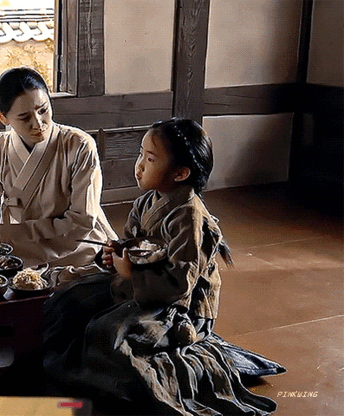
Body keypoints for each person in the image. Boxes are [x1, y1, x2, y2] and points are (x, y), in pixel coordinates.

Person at [43, 118, 283, 415]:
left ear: (180, 173)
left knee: (108, 332)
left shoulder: (190, 218)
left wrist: (130, 273)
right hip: (139, 286)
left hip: (179, 305)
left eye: (150, 159)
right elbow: (130, 243)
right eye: (140, 154)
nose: (139, 165)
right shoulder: (146, 202)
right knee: (69, 299)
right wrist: (113, 256)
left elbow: (181, 284)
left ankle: (114, 386)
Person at [0, 67, 116, 268]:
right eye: (25, 117)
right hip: (18, 254)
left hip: (80, 253)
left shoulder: (79, 145)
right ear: (3, 118)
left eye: (43, 110)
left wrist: (11, 235)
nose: (38, 123)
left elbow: (82, 221)